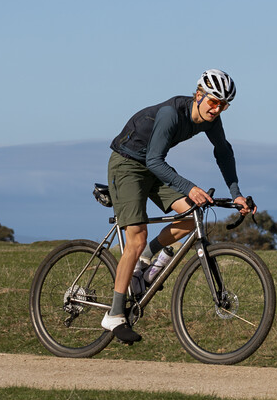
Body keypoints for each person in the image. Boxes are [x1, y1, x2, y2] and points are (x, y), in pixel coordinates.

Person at [101, 70, 256, 343]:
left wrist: (237, 194)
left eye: (224, 105)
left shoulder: (212, 120)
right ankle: (114, 315)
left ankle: (144, 263)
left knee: (189, 217)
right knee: (136, 237)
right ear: (199, 95)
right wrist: (190, 188)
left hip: (152, 166)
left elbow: (223, 152)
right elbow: (154, 160)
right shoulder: (171, 115)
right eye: (213, 101)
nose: (217, 108)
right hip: (127, 164)